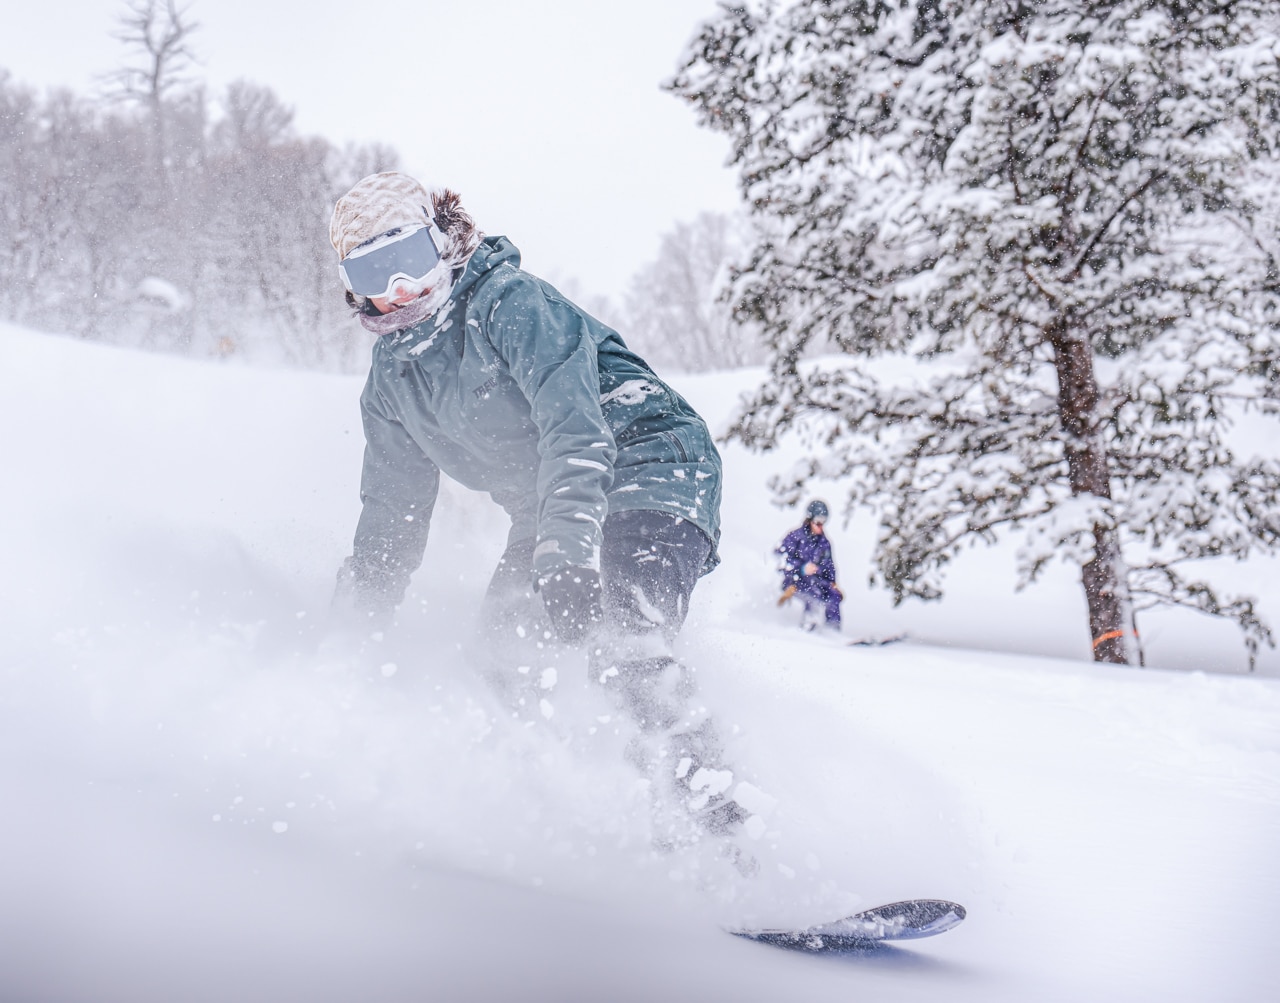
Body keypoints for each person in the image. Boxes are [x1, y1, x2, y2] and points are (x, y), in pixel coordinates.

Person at [327, 172, 739, 838]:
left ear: (442, 242)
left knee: (623, 641)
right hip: (553, 509)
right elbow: (390, 520)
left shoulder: (508, 305)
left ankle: (730, 838)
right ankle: (565, 817)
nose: (399, 287)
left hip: (649, 463)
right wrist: (347, 635)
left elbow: (575, 431)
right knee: (500, 654)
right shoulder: (392, 384)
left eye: (408, 259)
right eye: (376, 272)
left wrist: (567, 553)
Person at [776, 500, 843, 631]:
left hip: (817, 582)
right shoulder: (795, 537)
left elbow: (829, 566)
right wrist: (801, 569)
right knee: (813, 595)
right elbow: (781, 559)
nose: (820, 525)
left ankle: (833, 632)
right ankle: (808, 628)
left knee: (833, 596)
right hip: (795, 582)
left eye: (824, 521)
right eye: (818, 521)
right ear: (809, 519)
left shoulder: (824, 543)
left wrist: (832, 582)